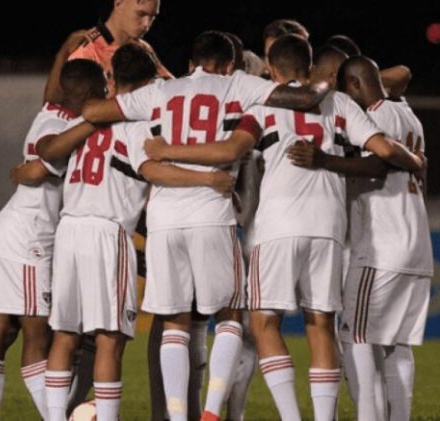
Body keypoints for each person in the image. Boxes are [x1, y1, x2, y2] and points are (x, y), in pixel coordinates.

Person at [143, 34, 425, 421]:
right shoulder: (339, 102)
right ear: (309, 68)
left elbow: (230, 151)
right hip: (327, 225)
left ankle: (291, 417)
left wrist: (168, 152)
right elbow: (385, 150)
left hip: (276, 226)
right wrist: (415, 159)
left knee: (263, 322)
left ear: (271, 71)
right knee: (321, 324)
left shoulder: (260, 105)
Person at [82, 30, 335, 421]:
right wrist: (322, 81)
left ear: (190, 63)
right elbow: (302, 97)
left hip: (164, 218)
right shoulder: (237, 83)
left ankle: (179, 416)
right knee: (231, 315)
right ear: (229, 63)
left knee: (174, 324)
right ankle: (212, 411)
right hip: (211, 211)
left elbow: (94, 113)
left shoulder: (163, 91)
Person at [38, 44, 235, 421]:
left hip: (68, 230)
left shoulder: (82, 122)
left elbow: (46, 155)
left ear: (114, 79)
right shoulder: (138, 125)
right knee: (110, 339)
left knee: (65, 334)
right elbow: (153, 171)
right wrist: (208, 179)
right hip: (107, 233)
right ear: (148, 83)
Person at [0, 58, 95, 421]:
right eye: (101, 90)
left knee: (1, 329)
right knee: (37, 336)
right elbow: (46, 154)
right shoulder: (61, 123)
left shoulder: (51, 111)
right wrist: (36, 168)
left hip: (13, 231)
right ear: (88, 94)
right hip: (29, 239)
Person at [337, 55, 432, 421]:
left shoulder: (371, 118)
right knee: (397, 344)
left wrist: (322, 161)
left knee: (354, 336)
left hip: (382, 246)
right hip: (416, 243)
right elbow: (402, 73)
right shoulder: (407, 113)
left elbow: (375, 164)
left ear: (355, 86)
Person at [44, 0, 172, 104]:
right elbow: (61, 106)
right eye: (141, 14)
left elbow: (173, 88)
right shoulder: (87, 49)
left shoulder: (143, 48)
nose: (146, 24)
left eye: (152, 17)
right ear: (118, 4)